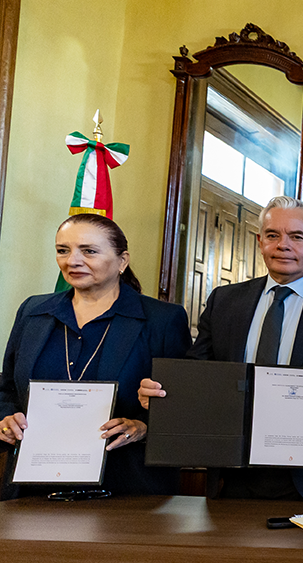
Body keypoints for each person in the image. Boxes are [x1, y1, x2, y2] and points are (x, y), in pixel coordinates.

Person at [140, 196, 303, 501]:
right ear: (260, 242)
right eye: (272, 235)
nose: (283, 245)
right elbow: (199, 372)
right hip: (236, 470)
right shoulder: (224, 301)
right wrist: (162, 392)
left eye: (296, 237)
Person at [0, 213, 191, 497]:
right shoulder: (33, 311)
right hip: (34, 485)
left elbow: (184, 404)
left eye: (89, 251)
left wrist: (143, 426)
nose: (72, 261)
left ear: (122, 261)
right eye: (63, 250)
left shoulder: (163, 319)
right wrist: (5, 419)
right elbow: (7, 389)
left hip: (126, 486)